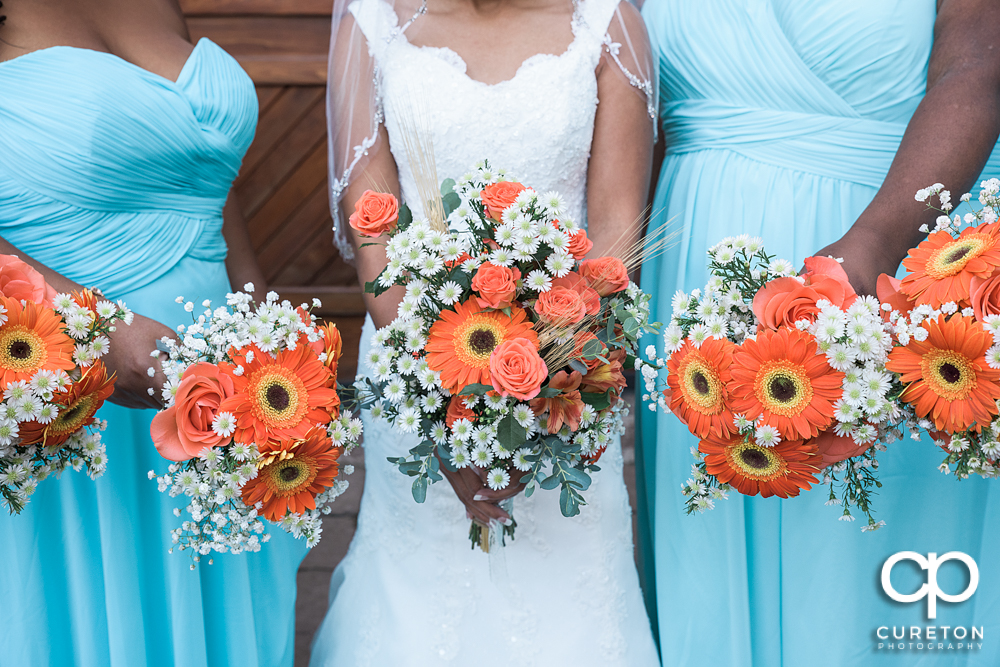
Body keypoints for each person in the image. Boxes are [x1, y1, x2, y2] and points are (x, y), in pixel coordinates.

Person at [637, 0, 1000, 665]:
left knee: (866, 594)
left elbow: (981, 64)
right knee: (711, 570)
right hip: (691, 306)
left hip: (889, 282)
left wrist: (870, 248)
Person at [310, 0, 661, 664]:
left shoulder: (606, 21)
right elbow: (374, 226)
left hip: (567, 375)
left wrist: (558, 377)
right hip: (411, 360)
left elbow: (617, 234)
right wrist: (443, 400)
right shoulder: (375, 20)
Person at [0, 1, 307, 664]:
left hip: (218, 404)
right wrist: (90, 325)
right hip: (63, 391)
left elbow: (211, 193)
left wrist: (276, 358)